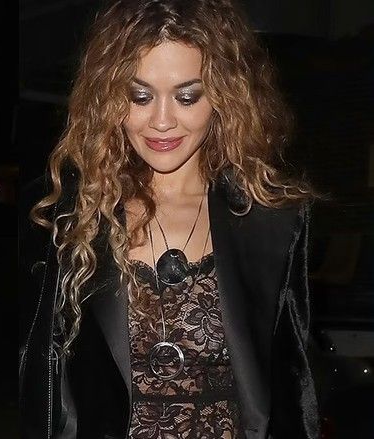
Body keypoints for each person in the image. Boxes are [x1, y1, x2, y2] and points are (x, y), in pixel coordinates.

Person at [19, 0, 318, 438]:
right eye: (139, 96)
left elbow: (293, 389)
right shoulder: (68, 215)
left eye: (186, 96)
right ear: (109, 99)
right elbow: (45, 386)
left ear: (224, 96)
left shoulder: (274, 220)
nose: (161, 121)